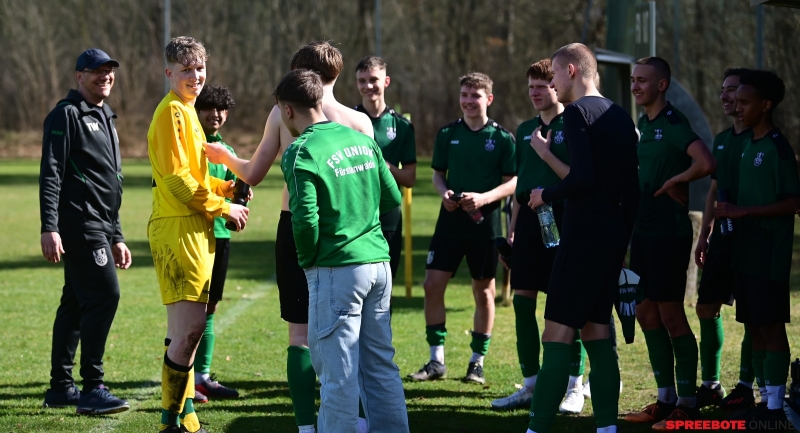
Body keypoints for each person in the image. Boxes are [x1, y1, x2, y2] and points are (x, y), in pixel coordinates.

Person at [204, 41, 375, 433]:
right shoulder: (360, 122)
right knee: (354, 332)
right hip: (352, 234)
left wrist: (224, 157)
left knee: (300, 334)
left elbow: (254, 173)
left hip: (298, 226)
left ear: (300, 74)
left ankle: (305, 426)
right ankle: (359, 419)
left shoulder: (285, 114)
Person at [278, 68, 409, 433]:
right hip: (378, 264)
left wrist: (308, 261)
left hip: (337, 269)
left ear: (287, 110)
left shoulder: (301, 150)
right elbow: (392, 197)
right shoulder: (361, 139)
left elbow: (305, 220)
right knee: (381, 368)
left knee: (338, 375)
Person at [525, 42, 639, 433]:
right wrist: (622, 240)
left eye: (555, 74)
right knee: (596, 331)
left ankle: (537, 427)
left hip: (583, 237)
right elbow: (633, 190)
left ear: (571, 70)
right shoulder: (621, 115)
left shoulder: (576, 113)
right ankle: (607, 427)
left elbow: (582, 177)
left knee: (556, 333)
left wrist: (545, 195)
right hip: (612, 239)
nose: (552, 84)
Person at [147, 36, 248, 433]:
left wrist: (228, 188)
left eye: (200, 68)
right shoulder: (173, 111)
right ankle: (169, 422)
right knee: (190, 330)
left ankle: (185, 415)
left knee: (184, 332)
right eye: (186, 70)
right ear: (169, 73)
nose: (195, 76)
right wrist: (224, 207)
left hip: (193, 227)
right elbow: (177, 181)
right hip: (179, 228)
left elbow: (197, 175)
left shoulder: (189, 111)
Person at [490, 59, 586, 414]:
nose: (534, 93)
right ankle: (530, 384)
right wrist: (513, 228)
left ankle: (574, 386)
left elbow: (579, 177)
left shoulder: (573, 123)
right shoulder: (525, 129)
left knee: (566, 305)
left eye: (541, 87)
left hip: (563, 220)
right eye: (530, 87)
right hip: (529, 224)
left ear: (556, 87)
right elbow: (521, 184)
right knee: (522, 303)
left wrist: (546, 153)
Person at [625, 57, 716, 430]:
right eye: (633, 79)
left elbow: (706, 162)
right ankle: (664, 400)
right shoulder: (644, 123)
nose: (635, 86)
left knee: (671, 315)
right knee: (645, 313)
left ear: (661, 85)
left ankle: (688, 405)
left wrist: (676, 181)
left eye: (642, 80)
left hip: (669, 232)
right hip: (643, 230)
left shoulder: (674, 122)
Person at [408, 72, 516, 385]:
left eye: (475, 96)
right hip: (450, 224)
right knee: (432, 285)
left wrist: (484, 198)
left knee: (484, 292)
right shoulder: (447, 134)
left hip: (485, 227)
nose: (468, 101)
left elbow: (513, 182)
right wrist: (444, 194)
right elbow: (437, 175)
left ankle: (476, 362)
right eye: (464, 95)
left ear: (489, 99)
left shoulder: (503, 138)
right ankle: (436, 360)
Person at [39, 48, 131, 415]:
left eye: (109, 70)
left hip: (101, 224)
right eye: (96, 71)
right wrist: (49, 226)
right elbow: (51, 173)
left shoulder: (106, 115)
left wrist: (117, 235)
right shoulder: (66, 114)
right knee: (105, 295)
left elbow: (109, 181)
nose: (105, 76)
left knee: (75, 302)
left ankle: (61, 387)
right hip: (79, 223)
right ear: (79, 76)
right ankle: (93, 387)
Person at [717, 69, 799, 424]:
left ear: (765, 105)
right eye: (736, 102)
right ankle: (766, 403)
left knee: (771, 327)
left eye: (744, 102)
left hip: (769, 252)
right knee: (753, 325)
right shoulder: (749, 144)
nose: (737, 108)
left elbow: (793, 202)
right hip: (745, 250)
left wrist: (743, 211)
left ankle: (777, 409)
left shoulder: (777, 147)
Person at [693, 68, 755, 410]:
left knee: (752, 315)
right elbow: (713, 191)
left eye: (732, 89)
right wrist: (705, 234)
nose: (725, 96)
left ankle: (745, 386)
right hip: (722, 238)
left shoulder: (761, 140)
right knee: (706, 307)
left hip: (751, 241)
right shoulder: (720, 139)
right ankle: (711, 385)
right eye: (723, 89)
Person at [192, 84, 242, 402]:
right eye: (209, 108)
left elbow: (233, 190)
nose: (216, 114)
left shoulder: (226, 150)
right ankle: (185, 379)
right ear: (198, 110)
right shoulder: (191, 144)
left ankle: (202, 377)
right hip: (196, 235)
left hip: (221, 236)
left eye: (222, 109)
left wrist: (240, 198)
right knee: (190, 308)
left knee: (210, 307)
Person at [354, 56, 416, 279]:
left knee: (385, 285)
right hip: (355, 216)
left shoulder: (402, 125)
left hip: (389, 217)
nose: (368, 86)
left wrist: (383, 165)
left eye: (373, 79)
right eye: (362, 81)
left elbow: (409, 178)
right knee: (356, 284)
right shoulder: (346, 122)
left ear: (386, 81)